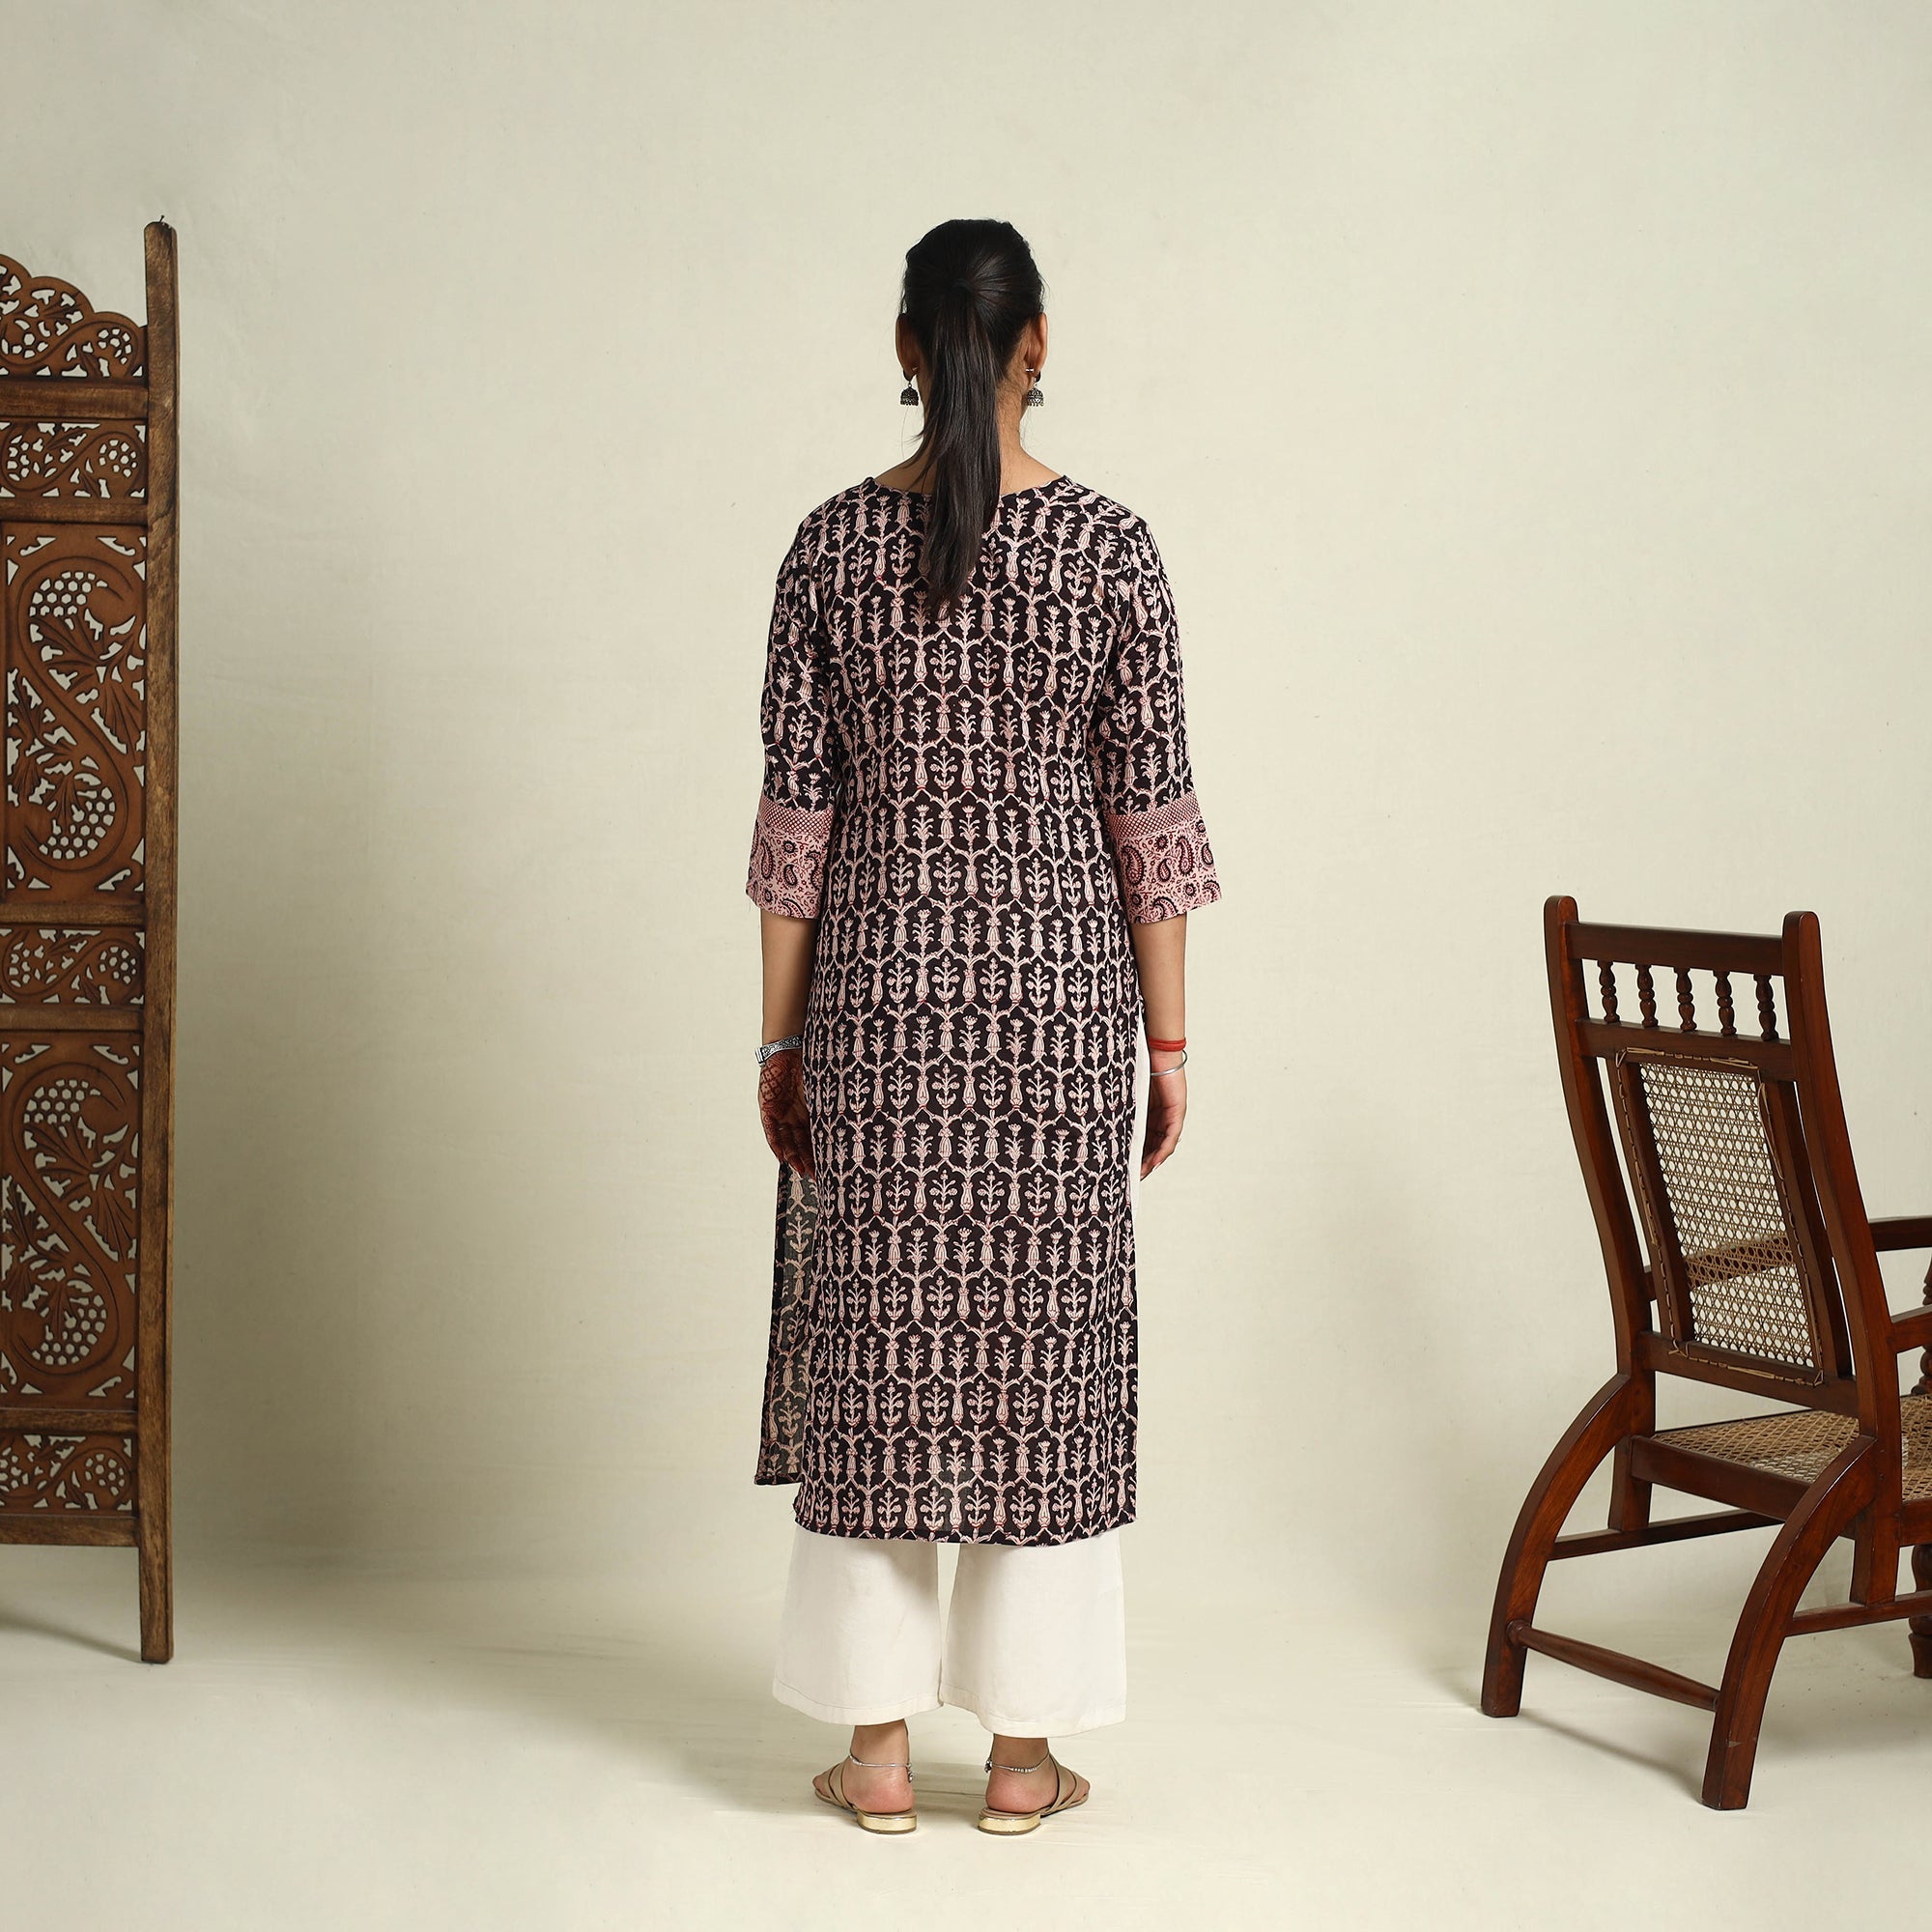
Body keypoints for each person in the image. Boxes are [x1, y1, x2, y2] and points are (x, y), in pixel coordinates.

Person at [745, 217, 1221, 1835]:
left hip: (879, 1010)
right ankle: (1021, 1764)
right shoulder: (1111, 551)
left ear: (904, 347)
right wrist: (1168, 1048)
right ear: (1037, 344)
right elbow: (1151, 822)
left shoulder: (827, 548)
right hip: (1056, 1015)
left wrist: (780, 1048)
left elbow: (796, 832)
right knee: (1041, 1369)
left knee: (879, 1360)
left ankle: (877, 1756)